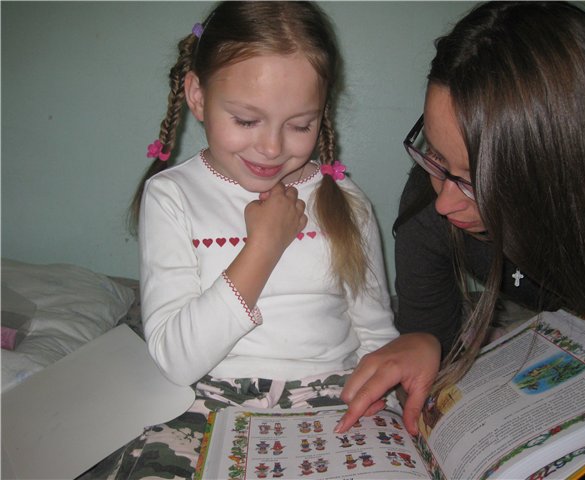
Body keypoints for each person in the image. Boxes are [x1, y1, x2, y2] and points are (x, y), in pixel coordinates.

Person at [94, 2, 397, 476]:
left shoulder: (347, 202)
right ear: (197, 96)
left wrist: (387, 405)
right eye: (246, 120)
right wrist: (263, 248)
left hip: (333, 397)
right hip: (205, 399)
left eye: (300, 125)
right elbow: (175, 359)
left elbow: (377, 336)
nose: (272, 148)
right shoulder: (171, 196)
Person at [337, 1, 585, 436]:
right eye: (436, 153)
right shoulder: (430, 204)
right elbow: (426, 334)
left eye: (478, 179)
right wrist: (424, 343)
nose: (444, 203)